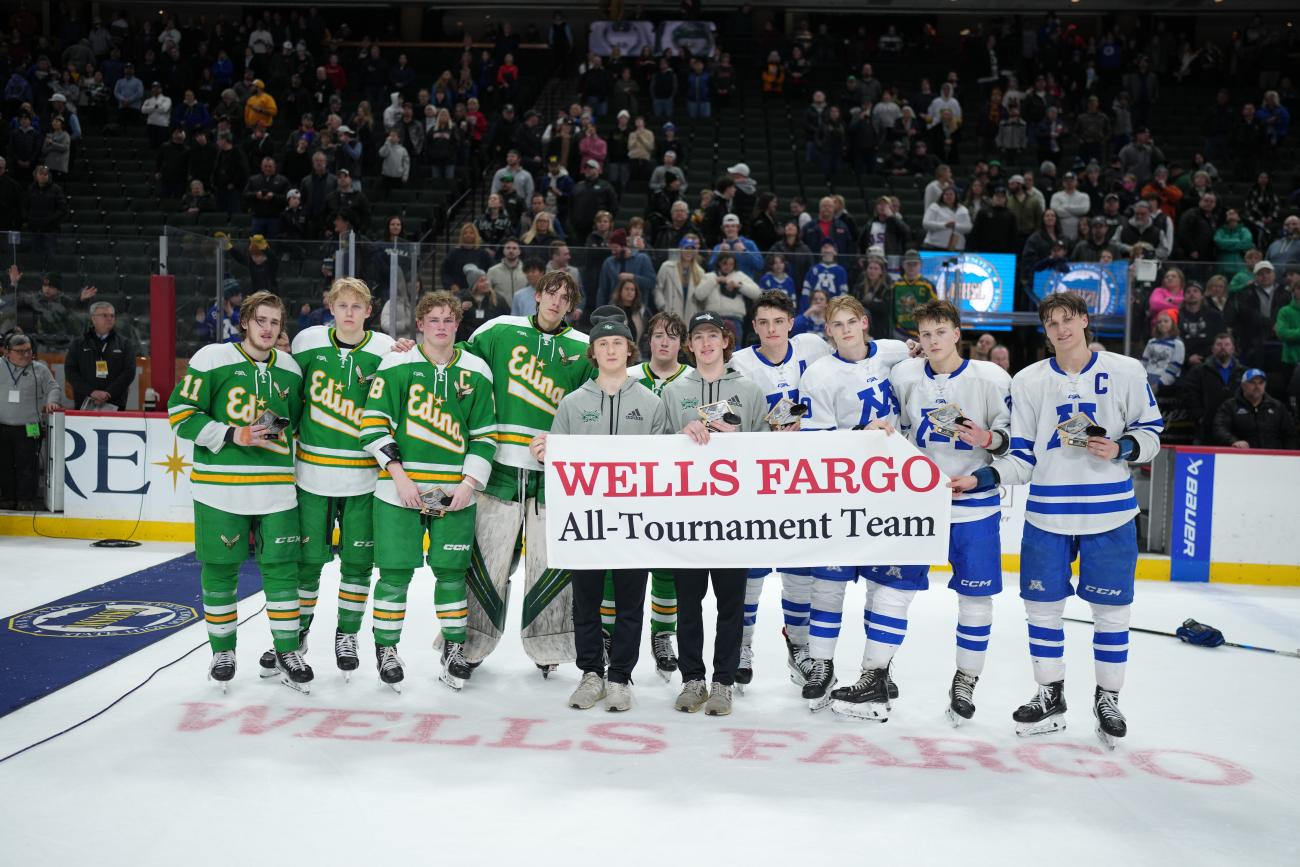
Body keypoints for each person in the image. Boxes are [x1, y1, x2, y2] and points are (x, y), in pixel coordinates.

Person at [950, 292, 1164, 748]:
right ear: (1044, 331)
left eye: (1068, 320)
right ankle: (1050, 694)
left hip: (1110, 513)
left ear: (1085, 321)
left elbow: (1151, 433)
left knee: (1111, 614)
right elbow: (1023, 457)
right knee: (1042, 612)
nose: (1061, 329)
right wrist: (981, 478)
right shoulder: (1028, 381)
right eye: (1052, 323)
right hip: (1047, 514)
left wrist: (1122, 447)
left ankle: (1108, 699)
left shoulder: (1126, 370)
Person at [167, 291, 310, 692]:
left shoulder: (291, 369)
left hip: (277, 489)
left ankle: (287, 650)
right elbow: (180, 415)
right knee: (220, 569)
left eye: (276, 323)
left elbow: (293, 425)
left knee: (283, 570)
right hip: (220, 489)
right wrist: (233, 433)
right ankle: (223, 651)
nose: (268, 329)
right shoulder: (212, 358)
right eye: (261, 320)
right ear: (245, 321)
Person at [531, 308, 668, 711]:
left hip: (633, 522)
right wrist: (544, 454)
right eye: (602, 344)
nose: (611, 350)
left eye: (617, 343)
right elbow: (557, 461)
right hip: (586, 521)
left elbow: (662, 464)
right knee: (585, 601)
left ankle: (621, 677)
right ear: (593, 352)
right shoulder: (573, 403)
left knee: (630, 602)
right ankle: (591, 673)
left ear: (629, 350)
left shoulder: (651, 401)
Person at [359, 289, 495, 690]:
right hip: (399, 490)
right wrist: (398, 475)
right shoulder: (397, 362)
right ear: (419, 324)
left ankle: (454, 649)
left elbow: (486, 435)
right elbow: (372, 425)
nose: (441, 327)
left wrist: (469, 483)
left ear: (458, 325)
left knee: (452, 573)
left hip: (454, 490)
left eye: (448, 320)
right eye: (433, 320)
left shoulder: (476, 370)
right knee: (395, 573)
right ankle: (386, 649)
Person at [458, 270, 593, 673]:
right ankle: (468, 645)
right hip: (499, 469)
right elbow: (457, 360)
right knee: (486, 563)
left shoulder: (583, 348)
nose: (556, 302)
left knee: (549, 565)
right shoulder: (500, 330)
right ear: (537, 295)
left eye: (565, 297)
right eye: (551, 293)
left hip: (552, 475)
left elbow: (595, 407)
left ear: (572, 305)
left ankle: (549, 648)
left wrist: (566, 445)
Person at [885, 300, 1012, 724]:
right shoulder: (904, 375)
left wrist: (989, 438)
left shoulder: (991, 378)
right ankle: (876, 671)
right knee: (894, 590)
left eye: (941, 332)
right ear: (917, 341)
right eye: (925, 334)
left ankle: (966, 679)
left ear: (958, 333)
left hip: (973, 503)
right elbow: (895, 426)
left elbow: (1014, 441)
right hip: (919, 504)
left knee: (975, 597)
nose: (933, 340)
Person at [270, 279, 398, 684]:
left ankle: (347, 634)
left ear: (368, 311)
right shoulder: (308, 341)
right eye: (341, 305)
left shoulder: (384, 349)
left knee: (359, 565)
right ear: (330, 306)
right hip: (312, 475)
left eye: (356, 307)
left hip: (363, 479)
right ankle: (298, 635)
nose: (348, 313)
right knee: (306, 564)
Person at [798, 296, 910, 712]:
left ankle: (877, 671)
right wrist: (862, 431)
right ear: (828, 331)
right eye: (836, 324)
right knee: (828, 585)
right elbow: (817, 440)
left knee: (883, 586)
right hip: (843, 492)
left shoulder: (895, 354)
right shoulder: (820, 375)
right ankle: (821, 665)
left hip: (894, 491)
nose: (845, 330)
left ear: (864, 322)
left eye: (851, 322)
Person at [662, 311, 770, 716]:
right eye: (698, 337)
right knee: (688, 604)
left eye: (713, 336)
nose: (706, 344)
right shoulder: (673, 392)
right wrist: (678, 437)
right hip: (688, 515)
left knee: (731, 604)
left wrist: (740, 440)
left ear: (726, 342)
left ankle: (723, 682)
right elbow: (654, 452)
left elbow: (766, 453)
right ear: (689, 345)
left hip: (733, 515)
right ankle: (692, 679)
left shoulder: (749, 390)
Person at [728, 290, 831, 687]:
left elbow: (869, 354)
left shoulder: (813, 347)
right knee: (751, 572)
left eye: (778, 321)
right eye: (763, 323)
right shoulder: (739, 363)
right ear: (754, 327)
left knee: (799, 570)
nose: (771, 330)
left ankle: (799, 647)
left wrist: (910, 349)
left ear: (792, 322)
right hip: (757, 482)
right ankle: (743, 645)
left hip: (804, 482)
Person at [0, 333, 61, 510]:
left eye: (28, 350)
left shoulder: (39, 369)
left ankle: (26, 500)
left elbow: (53, 387)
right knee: (4, 465)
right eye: (20, 351)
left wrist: (52, 401)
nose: (26, 355)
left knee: (28, 466)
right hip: (2, 426)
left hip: (30, 426)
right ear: (7, 352)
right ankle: (7, 498)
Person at [64, 300, 136, 410]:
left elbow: (129, 372)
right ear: (93, 318)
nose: (110, 318)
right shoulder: (78, 344)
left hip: (115, 403)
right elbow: (70, 371)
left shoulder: (125, 344)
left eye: (112, 315)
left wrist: (108, 393)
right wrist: (91, 392)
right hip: (85, 402)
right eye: (104, 315)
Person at [1212, 368, 1298, 449]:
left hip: (1273, 458)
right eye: (1252, 382)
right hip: (1241, 456)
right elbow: (1219, 428)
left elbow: (1290, 434)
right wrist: (1233, 441)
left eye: (1261, 382)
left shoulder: (1277, 406)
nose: (1257, 386)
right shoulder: (1230, 406)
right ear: (1243, 385)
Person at [1182, 332, 1244, 443]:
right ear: (1212, 349)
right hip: (1206, 429)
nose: (1223, 348)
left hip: (1237, 428)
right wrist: (1199, 416)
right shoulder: (1198, 371)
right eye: (1219, 344)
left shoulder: (1244, 372)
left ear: (1233, 349)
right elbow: (1189, 395)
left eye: (1226, 344)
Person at [890, 250, 939, 341]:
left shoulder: (928, 286)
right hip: (899, 332)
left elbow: (935, 311)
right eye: (909, 264)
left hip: (921, 334)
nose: (911, 267)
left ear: (920, 265)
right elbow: (890, 310)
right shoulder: (895, 285)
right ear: (903, 265)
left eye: (915, 264)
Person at [1142, 310, 1185, 392]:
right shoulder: (1151, 342)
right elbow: (1144, 362)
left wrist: (1161, 383)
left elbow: (1174, 367)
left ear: (1173, 323)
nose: (1162, 324)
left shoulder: (1178, 344)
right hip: (1146, 378)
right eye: (1159, 322)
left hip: (1164, 383)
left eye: (1166, 321)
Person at [922, 185, 972, 251]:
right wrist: (944, 225)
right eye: (946, 194)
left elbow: (968, 227)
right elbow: (925, 224)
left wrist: (955, 226)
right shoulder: (935, 207)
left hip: (956, 247)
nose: (949, 196)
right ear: (942, 196)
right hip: (934, 245)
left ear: (956, 196)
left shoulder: (963, 209)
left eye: (951, 194)